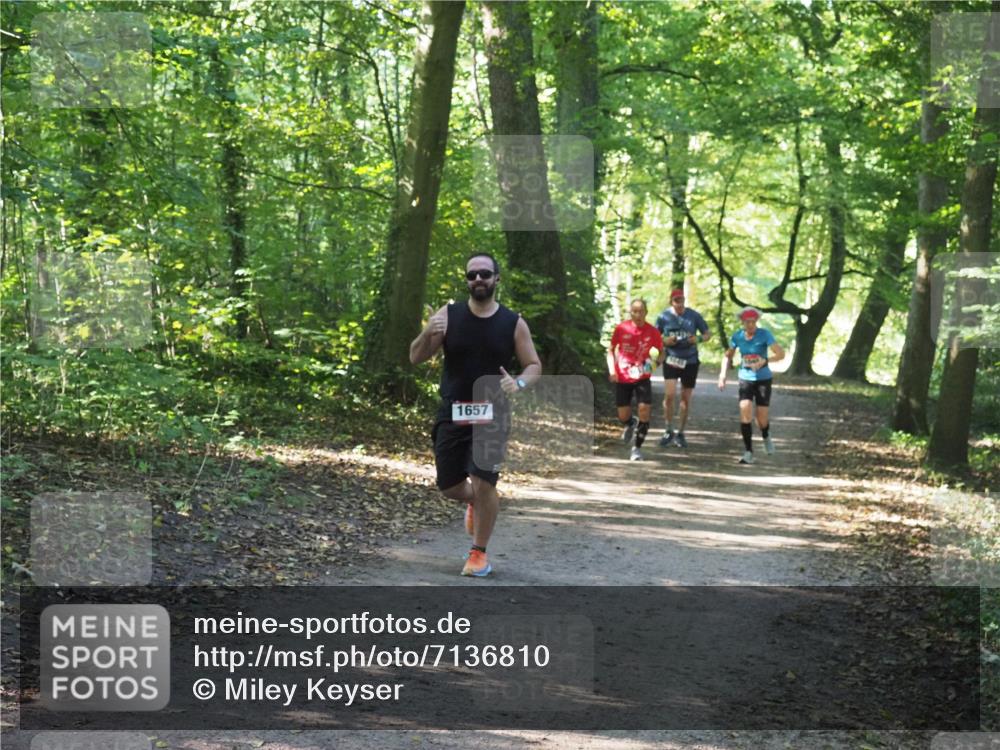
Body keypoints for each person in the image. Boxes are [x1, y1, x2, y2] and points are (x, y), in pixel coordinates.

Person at [409, 253, 542, 577]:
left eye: (485, 274)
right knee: (450, 485)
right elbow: (415, 357)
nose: (478, 280)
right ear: (467, 281)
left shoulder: (513, 322)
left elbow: (534, 365)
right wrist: (428, 332)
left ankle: (478, 553)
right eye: (472, 275)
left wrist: (519, 382)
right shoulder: (449, 315)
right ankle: (478, 503)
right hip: (453, 409)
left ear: (497, 278)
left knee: (484, 481)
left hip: (493, 414)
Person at [717, 307, 785, 465]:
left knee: (761, 418)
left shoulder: (764, 334)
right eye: (748, 322)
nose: (751, 325)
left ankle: (766, 435)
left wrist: (766, 361)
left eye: (753, 322)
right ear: (743, 322)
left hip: (763, 379)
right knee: (745, 410)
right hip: (745, 378)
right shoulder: (738, 337)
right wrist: (723, 374)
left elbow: (780, 354)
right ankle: (748, 451)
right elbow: (728, 357)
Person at [654, 288, 711, 448]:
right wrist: (665, 341)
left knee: (685, 399)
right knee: (670, 395)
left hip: (690, 361)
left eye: (682, 300)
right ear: (671, 302)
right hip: (671, 359)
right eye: (676, 301)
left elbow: (707, 334)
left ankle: (681, 433)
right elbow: (653, 336)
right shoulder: (664, 316)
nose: (679, 304)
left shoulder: (693, 315)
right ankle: (668, 429)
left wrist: (698, 338)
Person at [608, 299, 664, 461]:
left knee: (644, 411)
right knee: (622, 414)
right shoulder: (622, 328)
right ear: (630, 312)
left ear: (646, 312)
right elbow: (611, 350)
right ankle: (630, 423)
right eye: (634, 311)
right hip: (623, 377)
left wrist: (653, 365)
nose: (638, 315)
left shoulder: (652, 332)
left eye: (641, 311)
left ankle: (637, 449)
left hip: (642, 377)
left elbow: (661, 352)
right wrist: (612, 371)